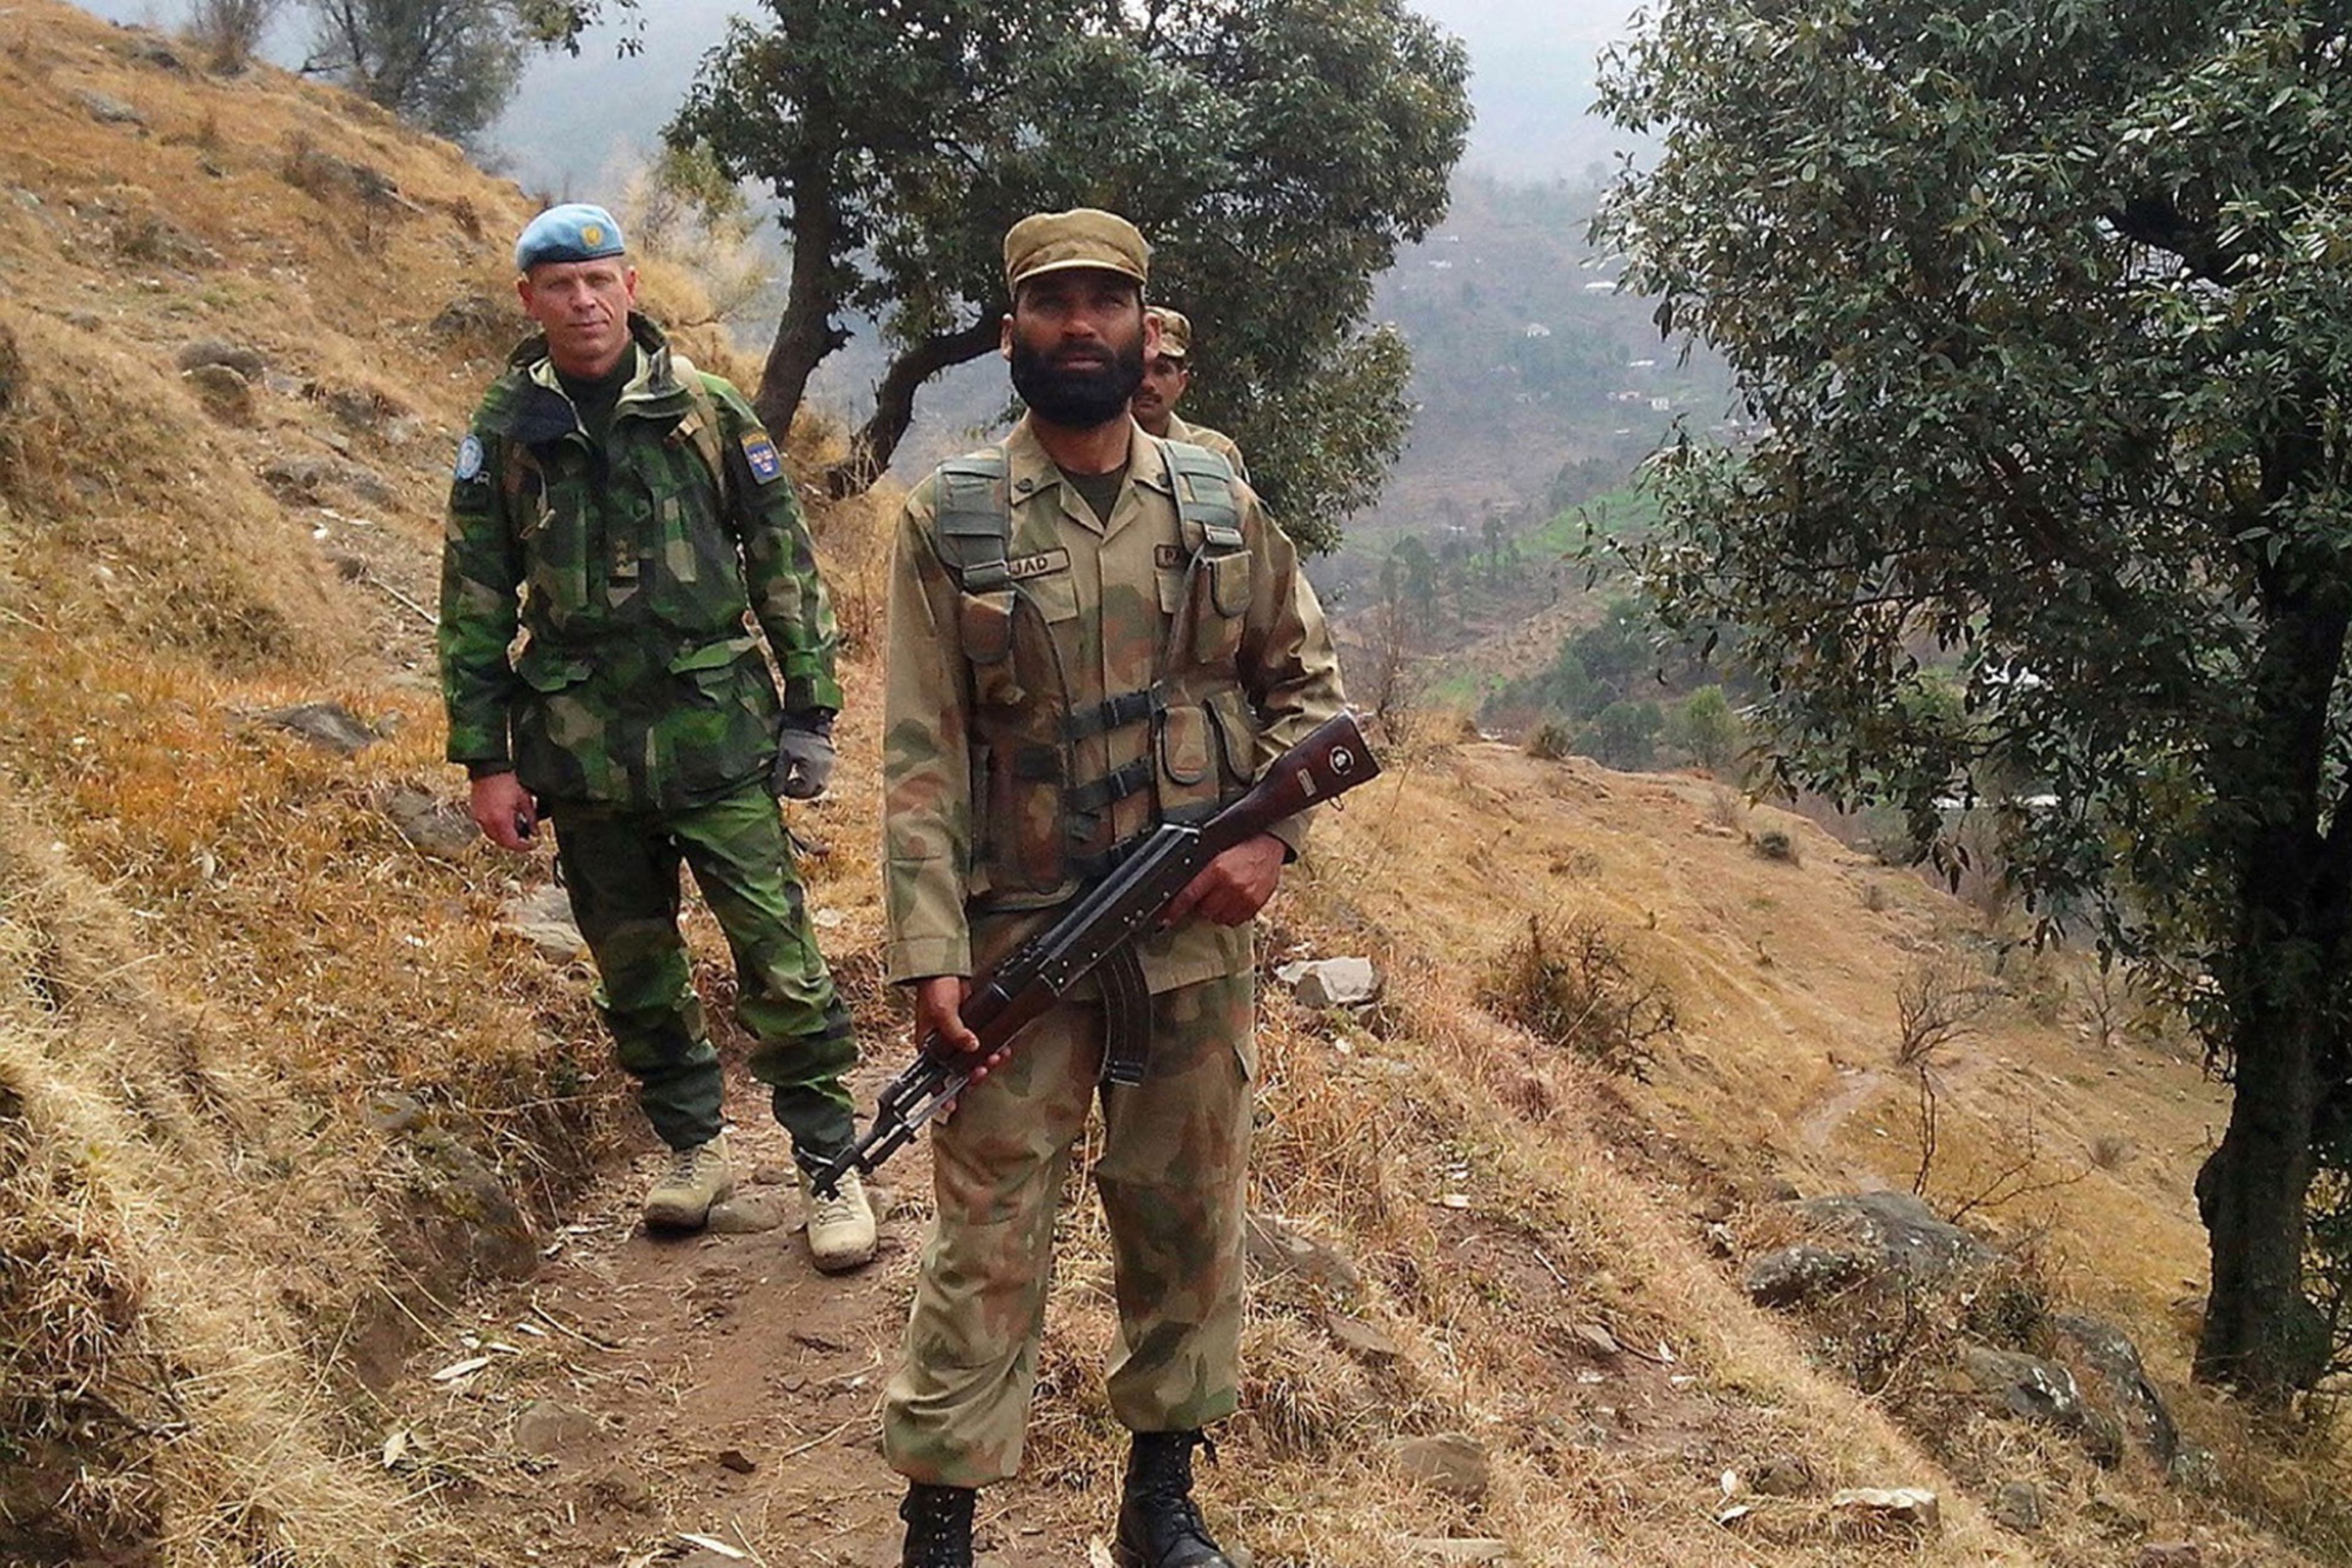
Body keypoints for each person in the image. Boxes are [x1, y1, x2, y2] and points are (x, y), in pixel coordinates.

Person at [877, 208, 1346, 1567]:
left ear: (1144, 324)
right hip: (1019, 933)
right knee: (989, 1233)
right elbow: (917, 750)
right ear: (1011, 328)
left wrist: (1267, 842)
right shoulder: (947, 518)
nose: (1077, 325)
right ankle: (943, 1517)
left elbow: (1307, 695)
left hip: (1189, 935)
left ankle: (1160, 1501)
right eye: (1048, 303)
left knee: (1185, 1213)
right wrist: (925, 954)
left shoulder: (1213, 501)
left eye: (1102, 302)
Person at [437, 203, 877, 1272]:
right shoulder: (507, 431)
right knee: (633, 964)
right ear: (529, 300)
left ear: (630, 286)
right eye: (559, 286)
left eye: (598, 281)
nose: (582, 302)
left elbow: (781, 559)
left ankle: (830, 1164)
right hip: (580, 745)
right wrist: (486, 758)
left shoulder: (708, 412)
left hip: (713, 731)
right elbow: (476, 594)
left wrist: (808, 710)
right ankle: (692, 1147)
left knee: (777, 956)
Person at [1131, 305, 1250, 484]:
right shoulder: (1089, 454)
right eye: (1138, 368)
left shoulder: (1217, 454)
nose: (1147, 383)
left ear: (1181, 382)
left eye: (1162, 371)